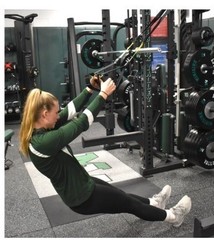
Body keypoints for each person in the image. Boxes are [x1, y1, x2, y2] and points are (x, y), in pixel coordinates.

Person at [19, 76, 191, 227]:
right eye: (55, 113)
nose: (58, 116)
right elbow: (80, 123)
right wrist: (103, 95)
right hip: (81, 197)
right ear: (44, 114)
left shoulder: (41, 129)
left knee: (123, 196)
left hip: (80, 183)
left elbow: (70, 110)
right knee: (129, 203)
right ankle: (173, 217)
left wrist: (90, 89)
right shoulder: (43, 142)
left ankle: (154, 203)